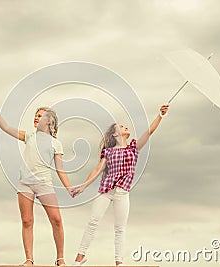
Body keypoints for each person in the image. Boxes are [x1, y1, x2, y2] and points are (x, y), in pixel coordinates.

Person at [72, 104, 169, 266]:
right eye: (121, 126)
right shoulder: (108, 152)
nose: (125, 127)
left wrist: (160, 114)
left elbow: (149, 131)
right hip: (106, 191)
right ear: (115, 133)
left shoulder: (133, 148)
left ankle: (119, 263)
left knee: (120, 229)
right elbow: (97, 169)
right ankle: (78, 260)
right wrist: (83, 186)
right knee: (93, 222)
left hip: (123, 193)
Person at [0, 102, 74, 266]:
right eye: (36, 115)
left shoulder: (56, 144)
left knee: (57, 220)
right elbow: (6, 128)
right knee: (27, 221)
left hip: (44, 184)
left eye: (40, 116)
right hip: (25, 184)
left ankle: (60, 258)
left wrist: (69, 188)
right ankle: (29, 260)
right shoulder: (29, 136)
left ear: (49, 122)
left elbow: (60, 170)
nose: (36, 117)